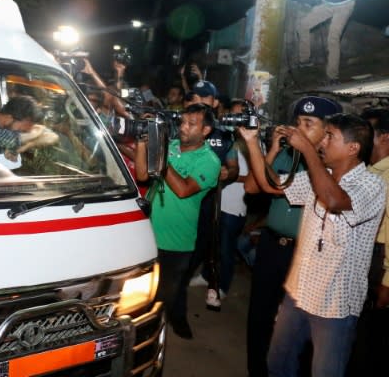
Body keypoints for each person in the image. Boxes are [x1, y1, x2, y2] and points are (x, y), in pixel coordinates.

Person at [238, 113, 385, 377]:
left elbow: (334, 200)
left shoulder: (372, 184)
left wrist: (306, 149)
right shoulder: (320, 175)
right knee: (278, 364)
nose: (323, 142)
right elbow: (270, 185)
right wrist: (252, 143)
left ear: (353, 148)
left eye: (330, 136)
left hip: (335, 304)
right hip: (299, 292)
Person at [242, 95, 341, 377]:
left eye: (309, 124)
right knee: (260, 316)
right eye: (297, 122)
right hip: (273, 246)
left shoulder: (330, 167)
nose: (298, 129)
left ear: (328, 130)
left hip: (304, 255)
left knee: (298, 329)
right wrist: (271, 149)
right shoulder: (287, 154)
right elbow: (252, 187)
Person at [135, 103, 221, 339]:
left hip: (176, 243)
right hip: (147, 234)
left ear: (205, 130)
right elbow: (143, 176)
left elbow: (183, 190)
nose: (183, 127)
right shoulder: (170, 146)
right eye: (182, 122)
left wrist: (160, 151)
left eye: (191, 124)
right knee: (141, 296)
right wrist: (144, 142)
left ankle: (154, 343)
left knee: (162, 301)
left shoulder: (210, 161)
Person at [183, 79, 239, 311]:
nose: (199, 102)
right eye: (195, 97)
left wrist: (229, 172)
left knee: (204, 245)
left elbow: (233, 167)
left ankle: (205, 283)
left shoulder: (225, 135)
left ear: (215, 102)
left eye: (204, 98)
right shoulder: (182, 127)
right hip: (180, 202)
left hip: (208, 204)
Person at [346, 107, 389, 375]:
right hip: (364, 257)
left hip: (379, 262)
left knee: (370, 343)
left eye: (368, 134)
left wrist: (387, 282)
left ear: (384, 138)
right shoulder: (369, 171)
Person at [0, 95, 57, 162]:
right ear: (9, 118)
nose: (24, 132)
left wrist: (27, 145)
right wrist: (36, 133)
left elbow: (52, 136)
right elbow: (9, 140)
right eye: (22, 130)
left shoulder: (7, 128)